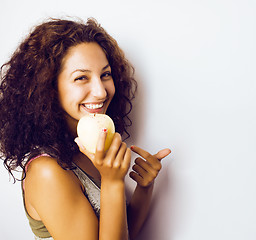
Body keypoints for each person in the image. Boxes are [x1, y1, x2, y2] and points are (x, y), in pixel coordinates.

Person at [0, 18, 171, 240]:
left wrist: (144, 187)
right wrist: (111, 182)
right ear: (48, 87)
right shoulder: (46, 171)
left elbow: (124, 233)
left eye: (105, 74)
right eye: (81, 77)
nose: (101, 92)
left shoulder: (87, 150)